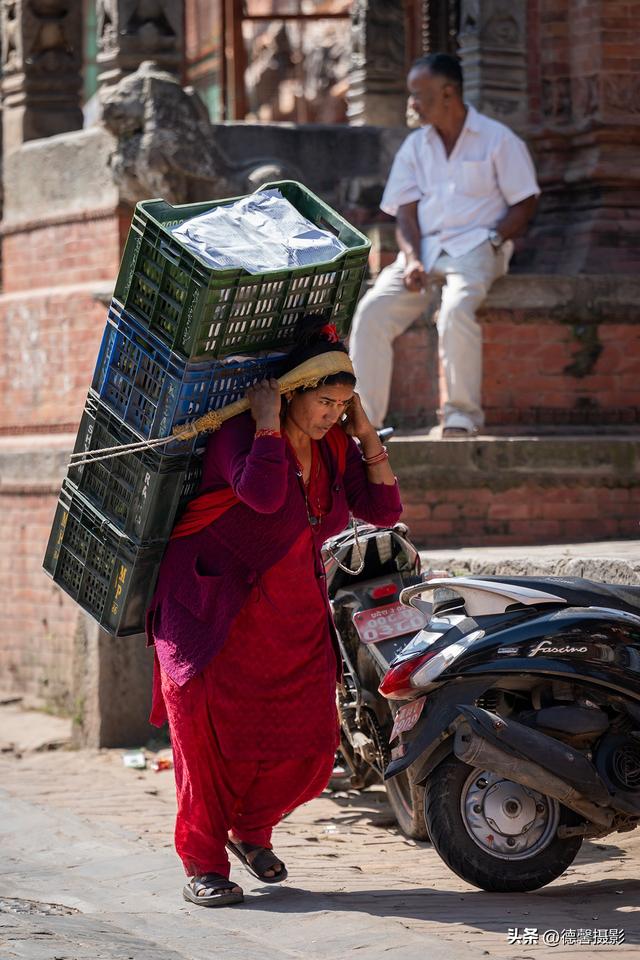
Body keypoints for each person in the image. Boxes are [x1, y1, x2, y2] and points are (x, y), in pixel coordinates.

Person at [146, 318, 402, 907]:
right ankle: (204, 863)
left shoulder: (338, 444)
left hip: (292, 618)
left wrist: (367, 438)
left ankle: (251, 831)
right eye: (324, 403)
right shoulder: (239, 432)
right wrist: (265, 424)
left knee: (308, 741)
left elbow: (384, 510)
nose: (331, 415)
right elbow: (263, 497)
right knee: (208, 742)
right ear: (290, 394)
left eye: (342, 405)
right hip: (212, 612)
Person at [349, 52, 540, 436]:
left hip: (478, 246)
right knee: (371, 312)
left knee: (455, 310)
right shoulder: (415, 147)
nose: (412, 104)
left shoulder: (498, 139)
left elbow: (525, 201)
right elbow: (405, 213)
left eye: (418, 95)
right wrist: (412, 258)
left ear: (448, 93)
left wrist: (494, 239)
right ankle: (365, 426)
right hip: (425, 250)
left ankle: (461, 416)